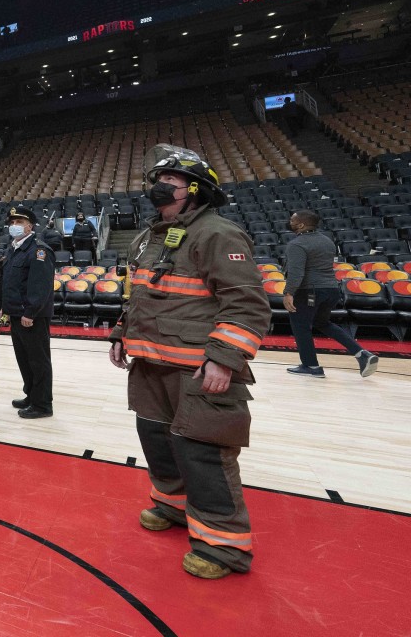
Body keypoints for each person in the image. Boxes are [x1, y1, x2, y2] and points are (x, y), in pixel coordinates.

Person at [108, 147, 270, 580]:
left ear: (196, 190)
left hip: (198, 368)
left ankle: (223, 545)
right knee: (157, 440)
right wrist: (121, 333)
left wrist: (224, 359)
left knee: (203, 452)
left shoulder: (218, 233)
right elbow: (138, 294)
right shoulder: (149, 237)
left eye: (169, 180)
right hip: (150, 363)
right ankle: (173, 506)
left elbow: (247, 304)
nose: (157, 186)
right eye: (155, 178)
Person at [282, 210, 379, 378]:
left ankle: (311, 367)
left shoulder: (297, 244)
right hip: (331, 290)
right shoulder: (327, 241)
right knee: (323, 322)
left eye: (292, 220)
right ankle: (362, 354)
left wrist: (288, 293)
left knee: (301, 326)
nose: (289, 222)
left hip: (309, 291)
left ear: (301, 224)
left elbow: (296, 273)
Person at [0, 205, 56, 419]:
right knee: (24, 359)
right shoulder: (13, 248)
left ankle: (42, 405)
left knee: (38, 361)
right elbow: (11, 283)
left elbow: (40, 287)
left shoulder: (39, 250)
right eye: (12, 222)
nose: (14, 226)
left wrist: (30, 313)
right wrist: (5, 308)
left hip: (32, 316)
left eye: (19, 222)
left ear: (30, 226)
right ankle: (31, 395)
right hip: (16, 313)